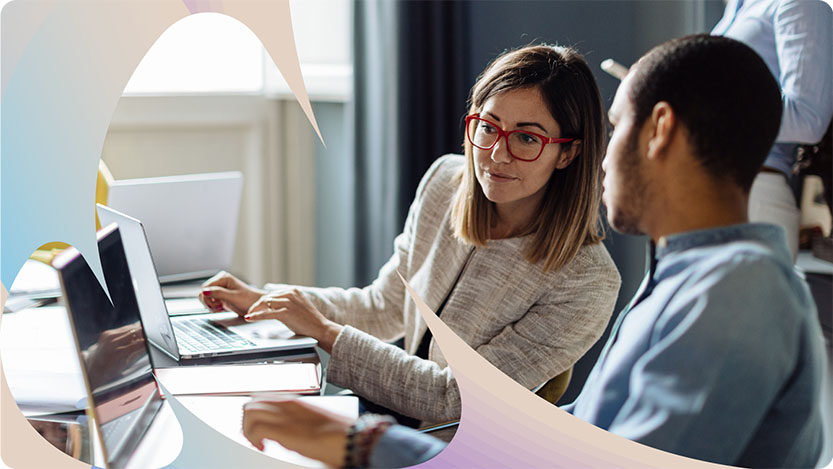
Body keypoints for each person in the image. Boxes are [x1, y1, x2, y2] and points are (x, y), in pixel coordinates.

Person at [240, 35, 829, 469]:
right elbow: (573, 438)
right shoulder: (692, 277)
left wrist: (365, 447)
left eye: (616, 127)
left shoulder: (735, 297)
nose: (602, 158)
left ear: (659, 131)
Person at [201, 45, 621, 432]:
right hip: (378, 418)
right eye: (488, 127)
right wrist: (268, 302)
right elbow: (383, 306)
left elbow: (452, 397)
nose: (496, 154)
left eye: (527, 138)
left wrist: (324, 331)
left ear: (568, 153)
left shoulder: (586, 282)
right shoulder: (445, 183)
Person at [712, 0, 833, 259]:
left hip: (753, 195)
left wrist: (703, 108)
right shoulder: (738, 6)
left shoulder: (800, 4)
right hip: (713, 186)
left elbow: (807, 118)